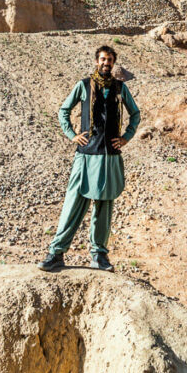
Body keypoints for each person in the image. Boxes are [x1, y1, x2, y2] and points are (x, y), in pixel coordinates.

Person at [37, 44, 140, 272]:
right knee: (74, 204)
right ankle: (56, 252)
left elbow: (135, 114)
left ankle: (99, 256)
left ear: (113, 63)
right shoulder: (83, 86)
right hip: (86, 156)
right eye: (103, 59)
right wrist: (73, 135)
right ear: (97, 61)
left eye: (110, 60)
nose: (106, 63)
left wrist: (125, 137)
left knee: (104, 208)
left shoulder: (120, 88)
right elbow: (63, 111)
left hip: (110, 158)